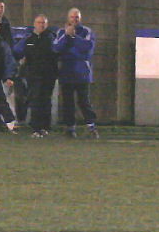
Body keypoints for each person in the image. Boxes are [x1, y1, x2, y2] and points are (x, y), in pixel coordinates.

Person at [53, 8, 99, 139]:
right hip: (66, 73)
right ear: (68, 18)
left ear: (80, 19)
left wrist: (73, 37)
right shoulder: (61, 32)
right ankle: (70, 128)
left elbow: (87, 48)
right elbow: (56, 48)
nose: (74, 19)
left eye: (77, 17)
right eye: (72, 17)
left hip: (82, 74)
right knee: (68, 102)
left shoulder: (87, 31)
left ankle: (91, 127)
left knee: (84, 102)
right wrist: (67, 36)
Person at [14, 14, 59, 138]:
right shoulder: (29, 40)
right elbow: (19, 52)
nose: (41, 25)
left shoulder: (51, 39)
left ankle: (45, 127)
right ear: (34, 24)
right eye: (39, 22)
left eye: (43, 23)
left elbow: (56, 55)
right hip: (33, 76)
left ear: (47, 24)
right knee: (35, 100)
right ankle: (36, 128)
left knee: (46, 100)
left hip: (48, 75)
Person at [0, 0, 21, 133]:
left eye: (1, 7)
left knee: (2, 95)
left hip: (1, 65)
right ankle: (0, 121)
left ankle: (6, 122)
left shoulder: (6, 25)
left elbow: (10, 46)